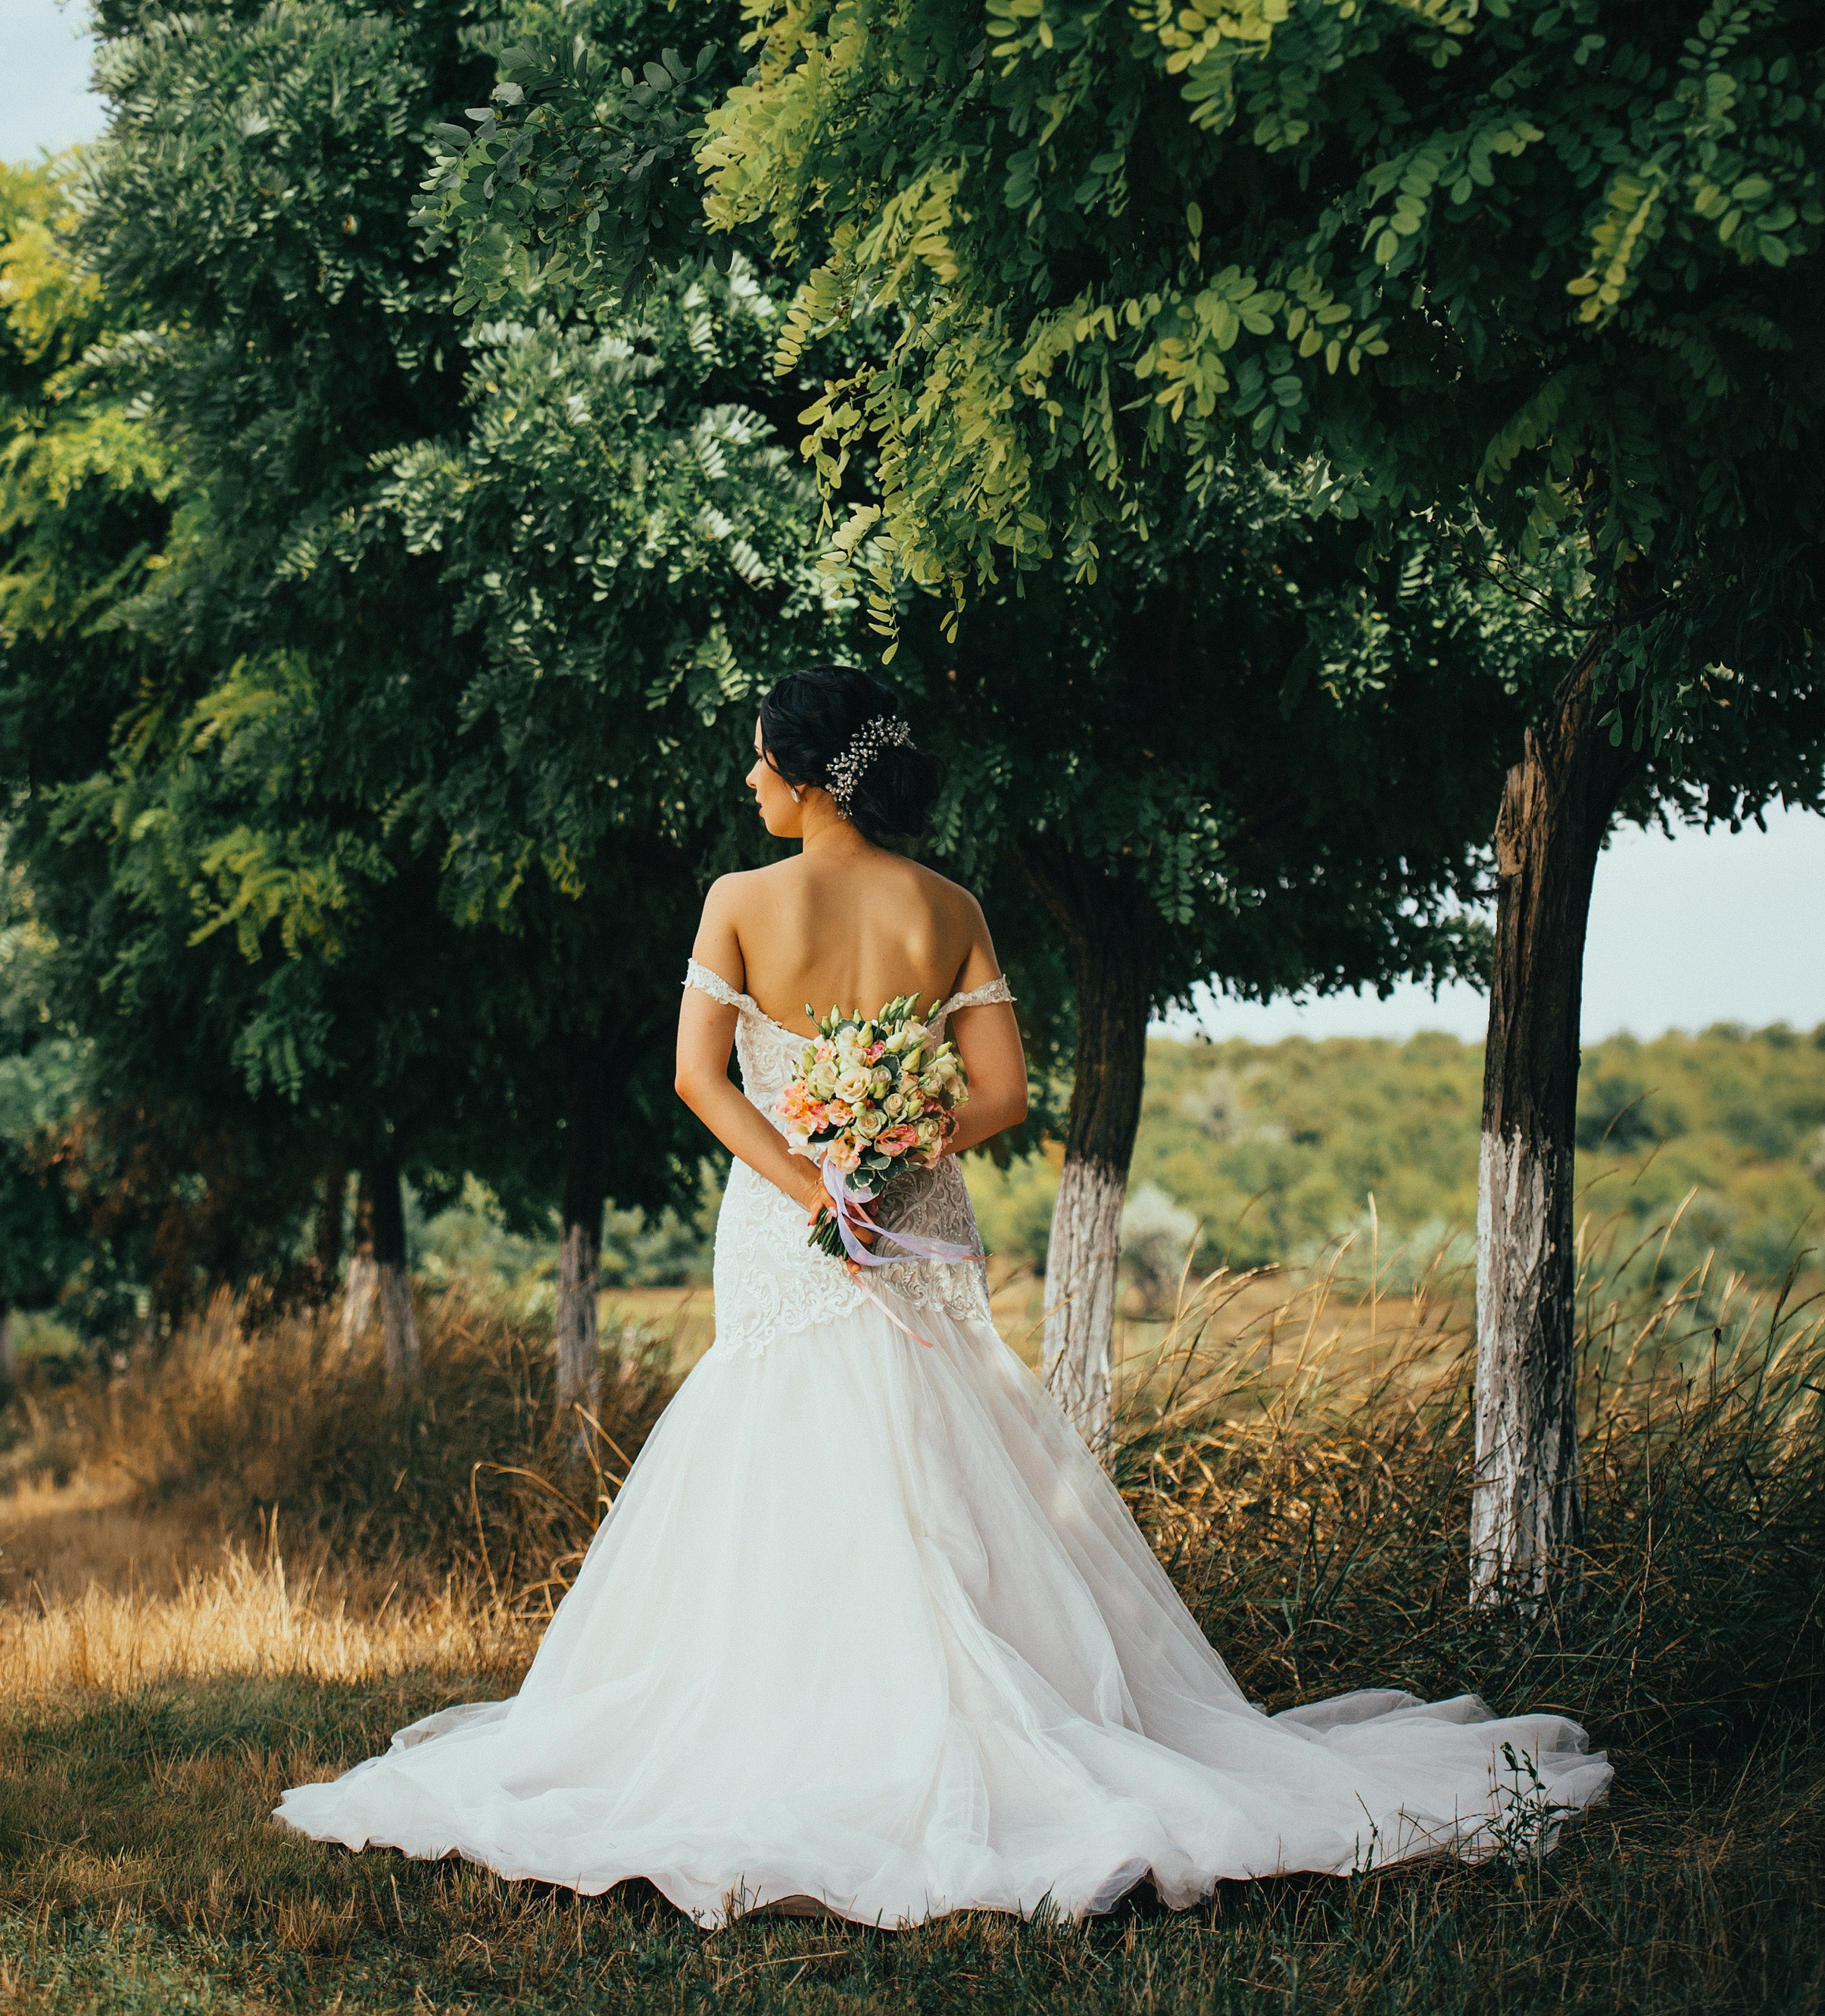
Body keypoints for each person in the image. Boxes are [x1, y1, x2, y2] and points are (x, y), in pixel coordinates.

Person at [276, 666, 1609, 1923]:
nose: (747, 781)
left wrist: (814, 1190)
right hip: (913, 1218)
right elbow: (1007, 1098)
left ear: (804, 775)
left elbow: (701, 1080)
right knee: (933, 1462)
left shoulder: (740, 899)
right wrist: (888, 1155)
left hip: (788, 1223)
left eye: (759, 758)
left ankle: (798, 1734)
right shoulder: (951, 906)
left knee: (785, 1459)